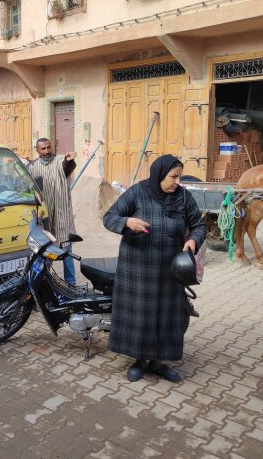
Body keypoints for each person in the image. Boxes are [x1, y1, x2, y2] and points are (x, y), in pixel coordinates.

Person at [103, 155, 206, 383]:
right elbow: (109, 217)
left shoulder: (183, 197)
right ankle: (139, 361)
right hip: (138, 268)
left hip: (171, 269)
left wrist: (192, 242)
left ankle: (159, 362)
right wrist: (127, 222)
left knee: (167, 316)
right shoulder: (137, 192)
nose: (177, 181)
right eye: (173, 176)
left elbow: (199, 225)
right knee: (141, 314)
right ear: (159, 175)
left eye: (179, 176)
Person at [28, 138, 78, 285]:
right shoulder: (33, 167)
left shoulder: (60, 161)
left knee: (66, 249)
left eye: (49, 147)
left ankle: (71, 284)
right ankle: (45, 284)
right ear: (37, 150)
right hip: (44, 217)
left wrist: (68, 161)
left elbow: (66, 168)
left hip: (62, 215)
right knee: (45, 251)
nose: (47, 151)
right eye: (43, 149)